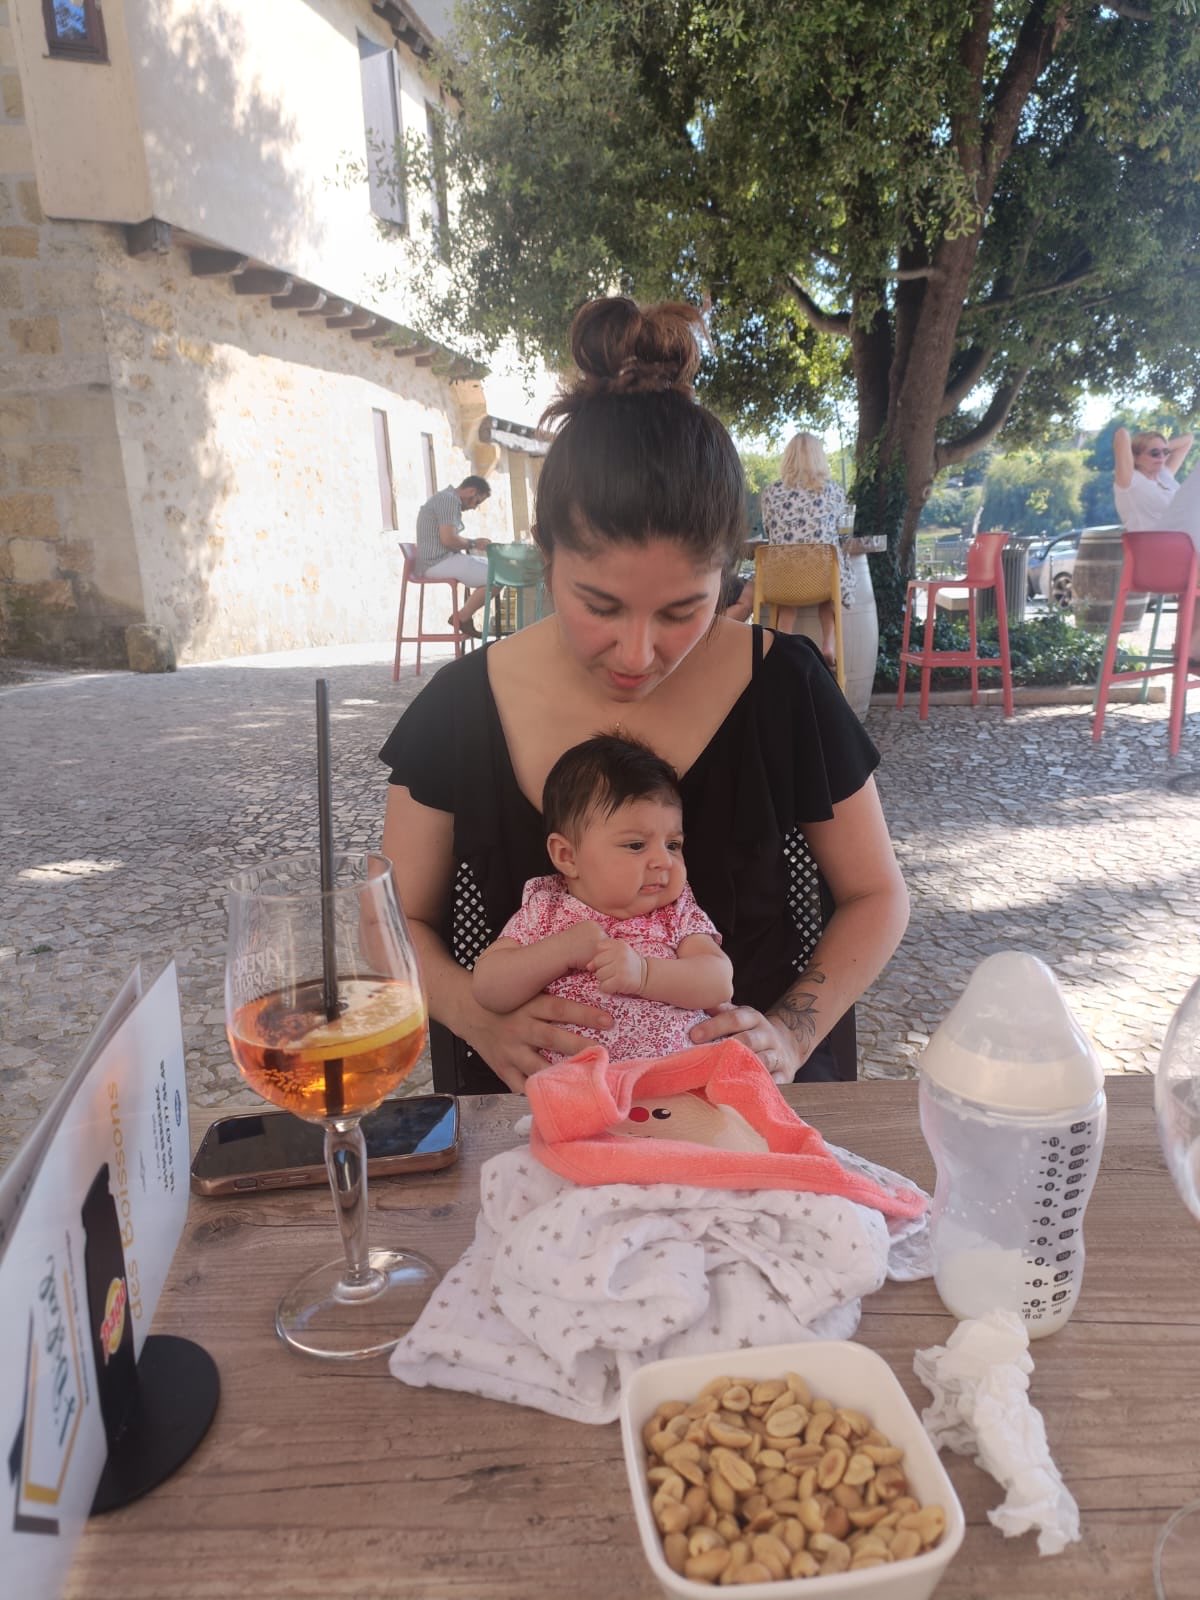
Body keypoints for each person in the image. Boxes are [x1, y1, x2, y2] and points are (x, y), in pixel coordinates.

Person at [380, 295, 909, 1095]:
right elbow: (392, 918)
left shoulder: (786, 686)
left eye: (680, 612)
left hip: (746, 1099)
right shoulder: (461, 707)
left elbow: (876, 895)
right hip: (533, 1110)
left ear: (728, 578)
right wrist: (476, 1018)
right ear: (545, 556)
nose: (636, 655)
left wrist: (791, 1033)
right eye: (599, 606)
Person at [472, 732, 734, 1064]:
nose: (664, 861)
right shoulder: (545, 909)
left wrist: (644, 974)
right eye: (636, 845)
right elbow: (489, 988)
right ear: (567, 856)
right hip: (577, 1080)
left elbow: (718, 982)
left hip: (678, 1073)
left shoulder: (675, 910)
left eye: (673, 845)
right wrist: (561, 951)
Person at [760, 432, 854, 667]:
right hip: (822, 576)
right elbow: (839, 530)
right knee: (830, 586)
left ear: (788, 459)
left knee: (788, 595)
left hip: (782, 577)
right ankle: (828, 644)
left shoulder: (771, 492)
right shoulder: (833, 491)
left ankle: (783, 645)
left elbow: (768, 530)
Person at [1113, 426, 1200, 664]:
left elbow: (1188, 439)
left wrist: (1159, 447)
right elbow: (1121, 435)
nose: (1161, 457)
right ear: (1135, 456)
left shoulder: (1165, 477)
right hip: (1154, 562)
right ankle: (1191, 647)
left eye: (1164, 452)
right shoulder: (1128, 481)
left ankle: (1191, 648)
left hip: (1183, 557)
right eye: (1154, 453)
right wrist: (1138, 447)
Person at [415, 475, 493, 638]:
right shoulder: (449, 500)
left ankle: (463, 616)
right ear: (471, 491)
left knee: (496, 569)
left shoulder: (447, 499)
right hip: (437, 561)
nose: (474, 507)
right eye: (476, 502)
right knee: (498, 575)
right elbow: (448, 539)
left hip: (441, 559)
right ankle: (462, 617)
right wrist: (474, 543)